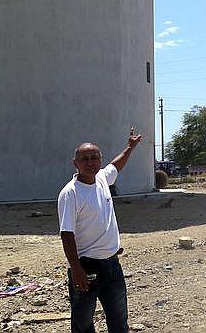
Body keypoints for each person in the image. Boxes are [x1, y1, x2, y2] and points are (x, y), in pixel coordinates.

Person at [58, 128, 142, 333]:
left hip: (113, 265)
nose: (90, 162)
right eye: (85, 158)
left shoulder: (102, 178)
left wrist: (130, 147)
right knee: (83, 322)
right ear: (75, 163)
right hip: (87, 268)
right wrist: (76, 269)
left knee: (119, 320)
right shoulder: (70, 193)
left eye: (95, 158)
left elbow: (116, 165)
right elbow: (66, 234)